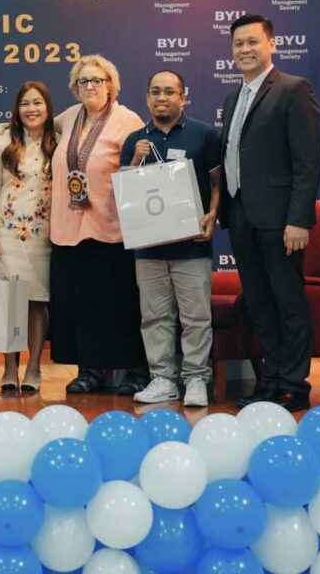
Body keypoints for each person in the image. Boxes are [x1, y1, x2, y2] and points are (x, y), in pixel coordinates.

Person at [220, 14, 320, 412]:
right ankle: (273, 378)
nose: (244, 50)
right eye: (238, 44)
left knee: (287, 300)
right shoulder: (233, 98)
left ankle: (295, 384)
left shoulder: (294, 90)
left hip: (282, 220)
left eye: (252, 42)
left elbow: (307, 161)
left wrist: (299, 218)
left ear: (272, 44)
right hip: (241, 214)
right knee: (260, 302)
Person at [120, 70, 221, 408]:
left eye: (169, 92)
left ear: (183, 97)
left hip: (191, 245)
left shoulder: (203, 135)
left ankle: (195, 378)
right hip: (148, 249)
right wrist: (135, 159)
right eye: (154, 92)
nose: (161, 98)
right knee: (155, 317)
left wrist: (212, 214)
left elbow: (218, 182)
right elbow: (124, 190)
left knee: (195, 317)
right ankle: (162, 378)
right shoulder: (134, 139)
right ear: (147, 98)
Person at [48, 55, 147, 395]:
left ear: (111, 86)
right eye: (83, 82)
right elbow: (33, 125)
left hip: (110, 226)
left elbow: (141, 170)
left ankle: (132, 370)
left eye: (97, 81)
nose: (90, 87)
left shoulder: (127, 119)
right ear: (75, 88)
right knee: (81, 306)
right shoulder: (70, 116)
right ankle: (88, 371)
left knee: (116, 303)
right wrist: (3, 129)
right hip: (68, 229)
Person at [0, 81, 57, 394]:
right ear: (17, 109)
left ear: (48, 108)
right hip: (6, 235)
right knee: (9, 304)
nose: (31, 109)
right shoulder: (1, 143)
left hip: (45, 238)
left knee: (38, 303)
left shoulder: (60, 143)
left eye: (37, 103)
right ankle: (10, 367)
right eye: (25, 103)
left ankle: (35, 366)